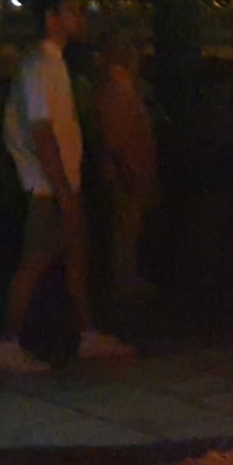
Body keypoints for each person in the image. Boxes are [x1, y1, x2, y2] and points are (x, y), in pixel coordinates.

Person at [0, 0, 133, 372]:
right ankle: (7, 341)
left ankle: (86, 334)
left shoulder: (50, 64)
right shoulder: (41, 65)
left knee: (74, 255)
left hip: (59, 184)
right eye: (72, 10)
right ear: (52, 18)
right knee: (35, 261)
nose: (81, 16)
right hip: (47, 187)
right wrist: (63, 191)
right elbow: (42, 132)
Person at [94, 33, 159, 303]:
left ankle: (126, 277)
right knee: (125, 229)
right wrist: (128, 171)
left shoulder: (116, 88)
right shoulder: (120, 91)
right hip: (126, 171)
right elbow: (115, 138)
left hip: (128, 168)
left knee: (127, 229)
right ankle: (123, 281)